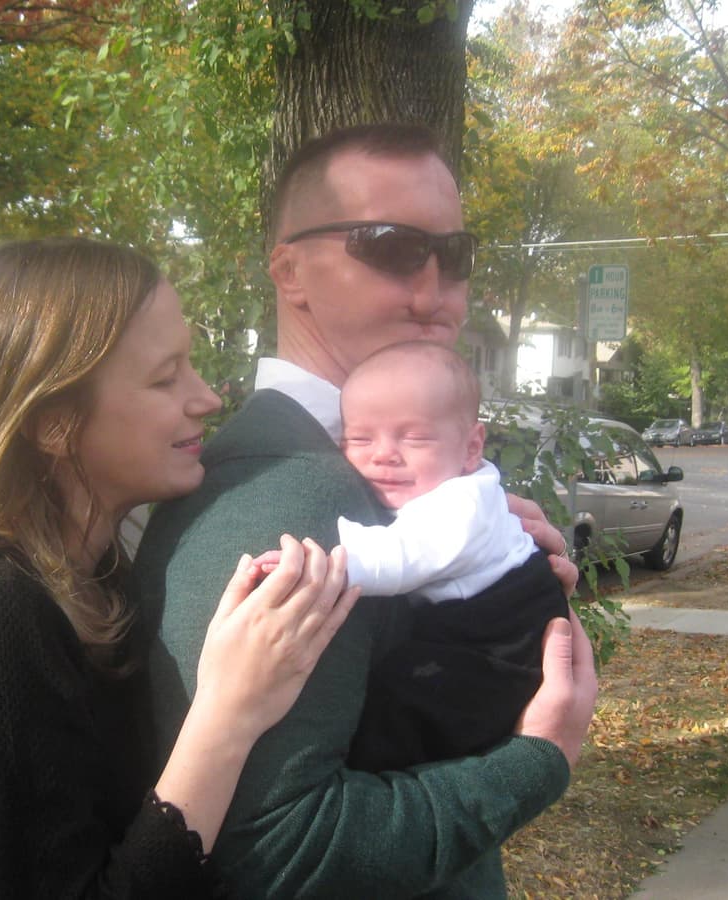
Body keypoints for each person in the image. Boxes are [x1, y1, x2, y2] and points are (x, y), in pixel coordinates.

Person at [133, 123, 597, 899]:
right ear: (289, 270)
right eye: (391, 247)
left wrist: (500, 600)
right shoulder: (294, 493)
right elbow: (280, 850)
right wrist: (539, 758)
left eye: (456, 256)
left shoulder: (380, 473)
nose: (435, 290)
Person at [0, 237, 359, 898]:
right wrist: (228, 715)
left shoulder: (97, 580)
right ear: (56, 422)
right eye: (164, 375)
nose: (206, 398)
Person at [329, 339, 571, 771]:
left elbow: (397, 559)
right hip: (478, 631)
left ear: (472, 447)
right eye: (359, 438)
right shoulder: (447, 488)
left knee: (405, 710)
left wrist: (322, 560)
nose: (384, 454)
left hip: (501, 648)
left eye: (415, 437)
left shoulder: (462, 505)